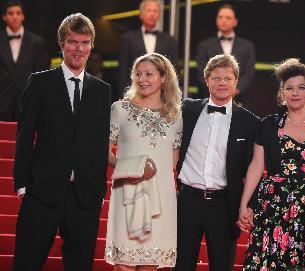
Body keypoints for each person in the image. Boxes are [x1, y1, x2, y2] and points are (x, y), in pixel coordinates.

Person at [12, 13, 111, 270]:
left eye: (85, 42)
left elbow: (100, 142)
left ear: (91, 46)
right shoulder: (40, 82)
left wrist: (98, 187)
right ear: (62, 44)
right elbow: (24, 135)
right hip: (42, 191)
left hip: (84, 196)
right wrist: (22, 183)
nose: (79, 49)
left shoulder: (101, 90)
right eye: (73, 41)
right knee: (27, 262)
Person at [236, 58, 305, 270]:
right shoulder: (268, 125)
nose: (295, 93)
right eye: (289, 88)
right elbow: (256, 166)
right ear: (282, 92)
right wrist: (245, 204)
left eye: (300, 88)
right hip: (273, 204)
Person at [174, 54, 259, 271]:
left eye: (227, 78)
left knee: (222, 266)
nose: (222, 83)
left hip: (224, 205)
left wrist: (248, 206)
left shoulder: (249, 122)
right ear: (206, 80)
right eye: (216, 78)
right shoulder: (187, 110)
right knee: (182, 265)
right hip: (187, 202)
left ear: (236, 81)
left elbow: (254, 168)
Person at [104, 53, 182, 270]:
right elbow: (104, 151)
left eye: (149, 74)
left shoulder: (175, 115)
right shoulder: (120, 109)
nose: (142, 79)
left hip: (161, 196)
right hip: (127, 194)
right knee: (124, 264)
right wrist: (134, 168)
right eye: (138, 74)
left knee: (150, 263)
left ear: (163, 77)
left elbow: (173, 159)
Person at [195, 4, 255, 103]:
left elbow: (249, 73)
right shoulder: (204, 45)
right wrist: (217, 90)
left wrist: (234, 90)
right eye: (220, 17)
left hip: (239, 99)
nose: (223, 20)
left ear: (235, 22)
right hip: (210, 99)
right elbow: (201, 72)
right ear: (216, 20)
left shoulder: (247, 46)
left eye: (228, 18)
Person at [0, 0, 49, 121]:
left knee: (25, 139)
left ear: (23, 16)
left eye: (18, 13)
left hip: (27, 103)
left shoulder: (37, 43)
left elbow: (41, 76)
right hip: (1, 102)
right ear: (4, 17)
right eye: (11, 13)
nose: (15, 16)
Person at [119, 0, 177, 97]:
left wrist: (171, 95)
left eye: (155, 11)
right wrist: (124, 95)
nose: (152, 14)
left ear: (159, 15)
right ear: (141, 14)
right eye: (149, 10)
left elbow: (173, 71)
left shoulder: (169, 40)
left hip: (162, 95)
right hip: (135, 92)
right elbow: (123, 71)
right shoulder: (128, 38)